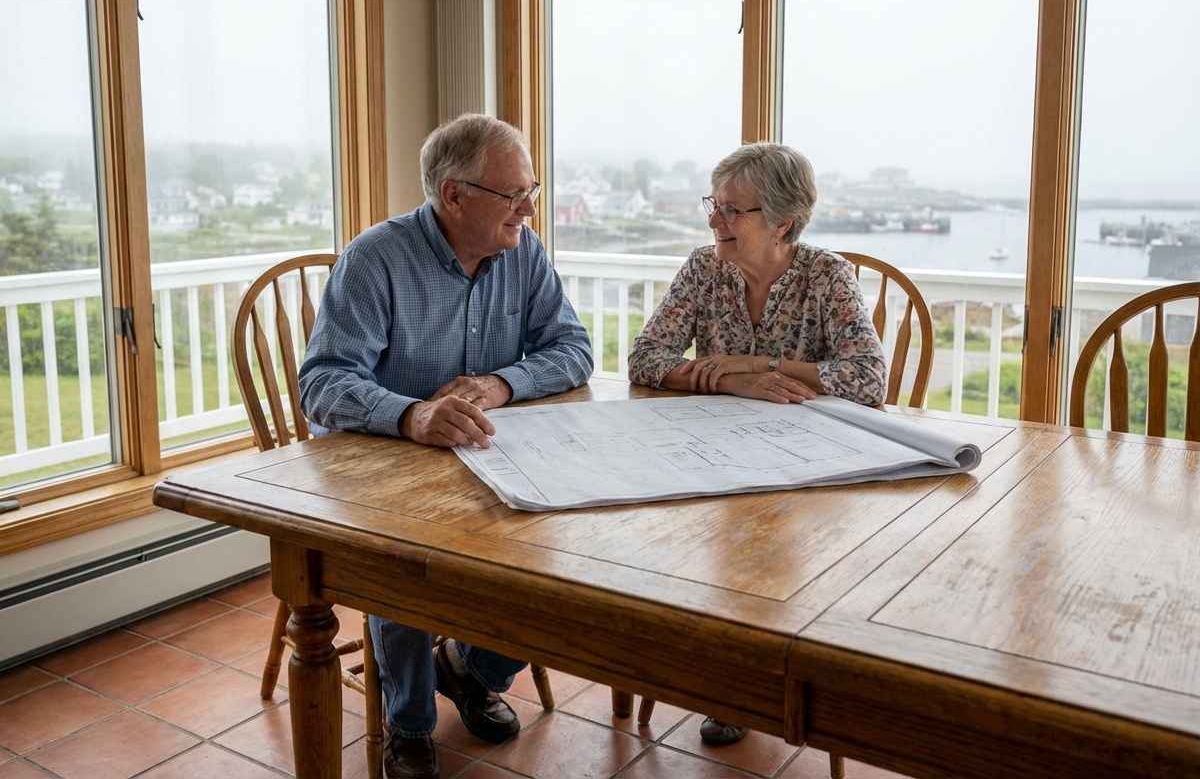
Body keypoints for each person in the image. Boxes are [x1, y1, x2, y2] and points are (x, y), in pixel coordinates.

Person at [298, 113, 593, 779]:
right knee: (405, 564)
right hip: (385, 466)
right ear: (453, 196)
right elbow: (321, 382)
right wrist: (410, 416)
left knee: (558, 546)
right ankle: (406, 723)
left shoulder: (525, 251)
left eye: (533, 190)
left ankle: (469, 668)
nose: (528, 208)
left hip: (485, 458)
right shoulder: (376, 258)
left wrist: (501, 381)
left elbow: (574, 350)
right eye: (513, 194)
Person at [628, 141, 886, 746]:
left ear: (781, 225)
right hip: (713, 457)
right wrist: (739, 382)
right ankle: (727, 682)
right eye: (712, 206)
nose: (714, 221)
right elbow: (645, 360)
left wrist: (760, 359)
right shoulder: (702, 267)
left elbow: (869, 380)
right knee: (687, 551)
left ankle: (762, 686)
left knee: (778, 558)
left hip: (807, 469)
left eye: (730, 211)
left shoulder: (826, 275)